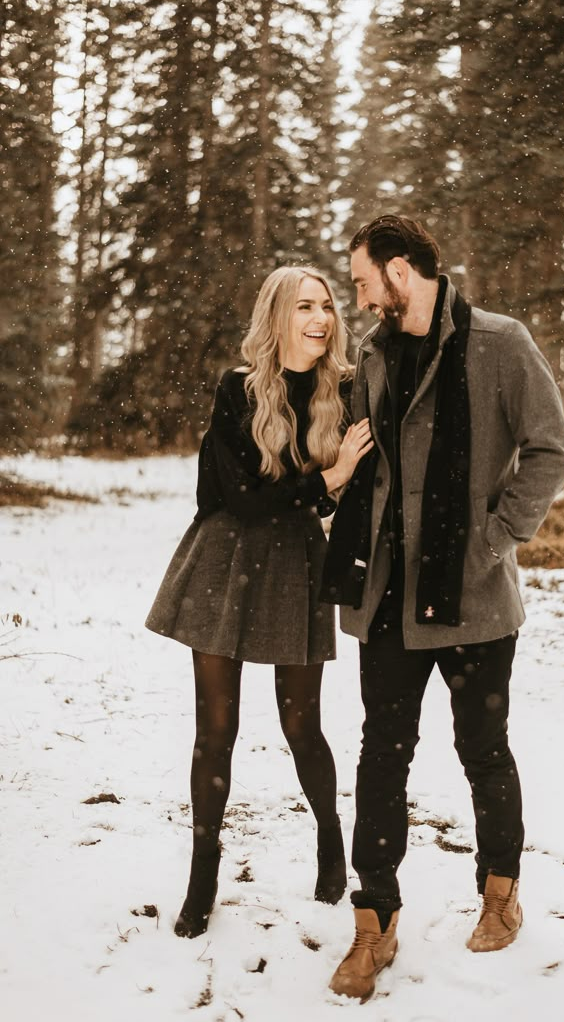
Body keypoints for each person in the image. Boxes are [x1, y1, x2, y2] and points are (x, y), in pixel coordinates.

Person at [321, 216, 564, 1001]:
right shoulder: (368, 355)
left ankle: (500, 890)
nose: (358, 299)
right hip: (389, 596)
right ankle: (375, 919)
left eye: (363, 281)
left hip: (473, 597)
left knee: (483, 746)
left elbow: (550, 449)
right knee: (381, 752)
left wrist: (494, 539)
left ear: (402, 272)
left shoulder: (500, 342)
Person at [145, 266, 373, 939]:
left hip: (299, 568)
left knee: (302, 726)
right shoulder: (236, 389)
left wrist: (330, 494)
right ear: (277, 316)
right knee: (216, 731)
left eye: (327, 305)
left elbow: (355, 496)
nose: (322, 317)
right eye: (305, 305)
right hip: (225, 561)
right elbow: (239, 499)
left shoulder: (348, 392)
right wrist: (326, 480)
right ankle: (203, 872)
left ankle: (332, 841)